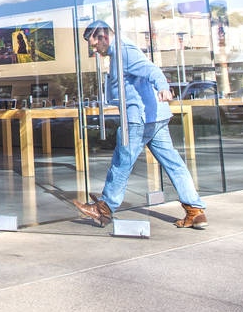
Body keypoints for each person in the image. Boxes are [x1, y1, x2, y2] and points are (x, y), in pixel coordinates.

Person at [72, 20, 208, 229]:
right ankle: (195, 211)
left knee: (121, 162)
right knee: (173, 162)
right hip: (154, 117)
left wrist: (163, 87)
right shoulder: (119, 51)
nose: (94, 49)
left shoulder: (124, 50)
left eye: (94, 44)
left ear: (104, 38)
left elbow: (151, 70)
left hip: (139, 118)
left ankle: (104, 209)